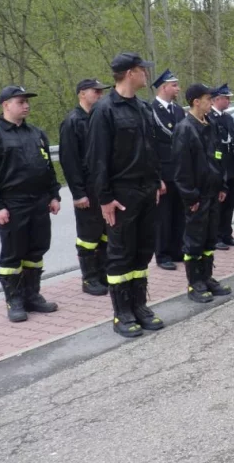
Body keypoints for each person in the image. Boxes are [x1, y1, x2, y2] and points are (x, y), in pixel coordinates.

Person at [86, 52, 164, 338]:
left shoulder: (143, 107)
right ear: (131, 73)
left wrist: (156, 182)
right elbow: (97, 159)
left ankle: (140, 306)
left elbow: (152, 149)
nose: (147, 74)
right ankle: (122, 313)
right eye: (143, 70)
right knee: (120, 253)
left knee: (143, 250)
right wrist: (104, 198)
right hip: (121, 193)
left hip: (146, 190)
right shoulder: (104, 110)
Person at [0, 86, 62, 322]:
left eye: (27, 102)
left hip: (39, 202)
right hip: (13, 204)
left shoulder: (36, 133)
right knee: (13, 255)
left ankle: (32, 296)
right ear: (6, 105)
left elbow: (47, 168)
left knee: (36, 251)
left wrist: (54, 195)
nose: (26, 105)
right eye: (21, 101)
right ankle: (14, 301)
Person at [173, 84, 231, 303]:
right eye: (208, 99)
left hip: (213, 193)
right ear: (196, 101)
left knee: (209, 238)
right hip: (197, 196)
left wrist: (222, 186)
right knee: (194, 239)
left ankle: (207, 277)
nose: (211, 102)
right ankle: (195, 282)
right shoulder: (185, 128)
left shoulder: (210, 124)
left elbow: (218, 157)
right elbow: (181, 168)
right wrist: (191, 196)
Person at [60, 78, 111, 296]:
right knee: (88, 236)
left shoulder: (101, 118)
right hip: (87, 189)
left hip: (104, 187)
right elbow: (69, 161)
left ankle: (104, 273)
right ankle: (89, 279)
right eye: (95, 92)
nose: (100, 96)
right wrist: (78, 193)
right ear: (82, 93)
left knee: (105, 233)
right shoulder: (73, 121)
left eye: (101, 92)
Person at [151, 68, 185, 270]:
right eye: (174, 85)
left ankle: (177, 249)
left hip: (180, 172)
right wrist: (157, 178)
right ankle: (162, 254)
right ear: (163, 87)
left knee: (179, 213)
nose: (177, 89)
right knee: (163, 216)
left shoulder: (178, 110)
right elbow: (151, 147)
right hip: (164, 172)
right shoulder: (151, 111)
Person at [209, 84, 234, 249]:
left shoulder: (228, 118)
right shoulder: (210, 118)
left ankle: (226, 234)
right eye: (226, 98)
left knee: (230, 203)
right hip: (219, 168)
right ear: (216, 99)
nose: (229, 101)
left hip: (231, 167)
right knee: (218, 205)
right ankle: (216, 237)